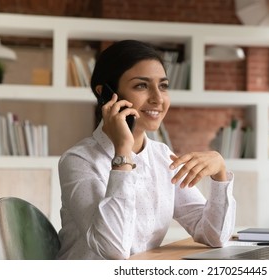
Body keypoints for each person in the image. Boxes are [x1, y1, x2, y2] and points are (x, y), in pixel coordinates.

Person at [56, 40, 236, 260]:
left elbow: (214, 236)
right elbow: (113, 249)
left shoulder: (161, 156)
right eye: (141, 85)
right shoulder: (79, 160)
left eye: (163, 86)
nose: (158, 98)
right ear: (106, 93)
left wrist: (220, 174)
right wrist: (123, 150)